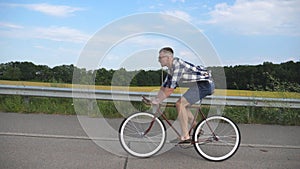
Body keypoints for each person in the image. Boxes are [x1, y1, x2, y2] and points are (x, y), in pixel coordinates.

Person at [151, 47, 215, 143]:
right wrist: (156, 98)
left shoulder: (178, 65)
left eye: (160, 58)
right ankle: (197, 129)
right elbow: (164, 87)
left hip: (205, 85)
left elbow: (170, 89)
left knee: (180, 104)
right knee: (183, 106)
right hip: (199, 85)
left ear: (168, 57)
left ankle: (185, 136)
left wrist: (158, 100)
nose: (158, 60)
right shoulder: (171, 68)